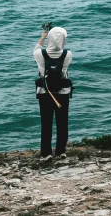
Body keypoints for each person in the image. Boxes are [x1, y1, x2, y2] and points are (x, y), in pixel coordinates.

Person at [33, 26, 72, 160]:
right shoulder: (68, 54)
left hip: (45, 92)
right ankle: (61, 151)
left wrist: (43, 36)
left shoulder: (40, 55)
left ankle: (46, 153)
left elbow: (36, 49)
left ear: (50, 39)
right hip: (63, 92)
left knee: (46, 123)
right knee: (62, 122)